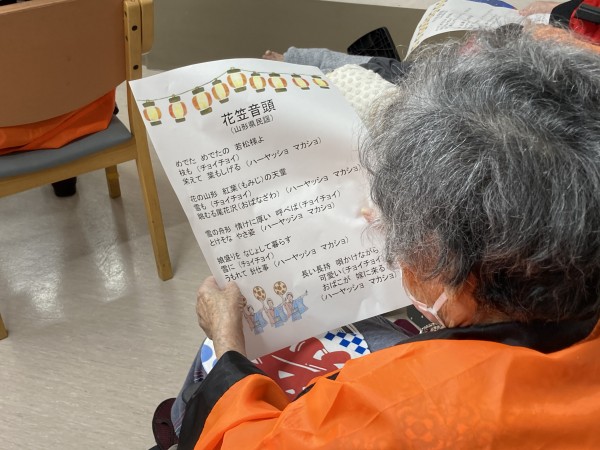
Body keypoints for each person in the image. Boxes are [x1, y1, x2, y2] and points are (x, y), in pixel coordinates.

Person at [167, 27, 600, 450]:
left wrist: (226, 345)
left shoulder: (392, 412)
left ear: (465, 284)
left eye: (404, 229)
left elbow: (246, 442)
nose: (377, 222)